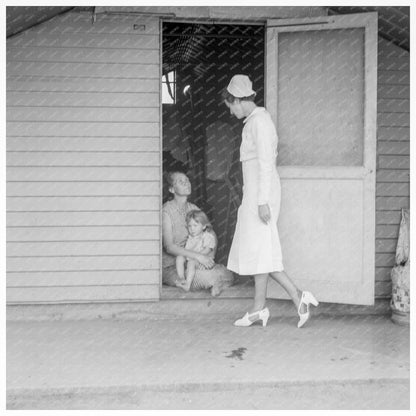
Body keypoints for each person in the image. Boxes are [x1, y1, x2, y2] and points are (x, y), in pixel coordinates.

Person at [223, 74, 319, 328]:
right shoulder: (253, 121)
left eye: (230, 106)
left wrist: (262, 201)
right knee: (259, 250)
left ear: (239, 100)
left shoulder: (260, 123)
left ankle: (295, 296)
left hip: (261, 195)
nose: (231, 112)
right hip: (254, 193)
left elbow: (266, 164)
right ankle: (263, 307)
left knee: (261, 250)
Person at [162, 171, 234, 296]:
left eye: (187, 180)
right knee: (203, 277)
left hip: (195, 262)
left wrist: (208, 255)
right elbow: (169, 247)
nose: (186, 183)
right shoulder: (166, 211)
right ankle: (215, 282)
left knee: (227, 272)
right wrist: (198, 256)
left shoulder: (193, 208)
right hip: (173, 266)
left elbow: (210, 233)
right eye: (181, 181)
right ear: (172, 189)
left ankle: (217, 281)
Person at [176, 210, 216, 292]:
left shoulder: (207, 236)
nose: (192, 229)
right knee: (179, 257)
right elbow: (187, 250)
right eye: (189, 226)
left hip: (204, 261)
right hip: (192, 258)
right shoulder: (190, 238)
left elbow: (207, 250)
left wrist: (194, 256)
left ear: (204, 226)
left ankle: (188, 284)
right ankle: (182, 278)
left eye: (195, 225)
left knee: (191, 263)